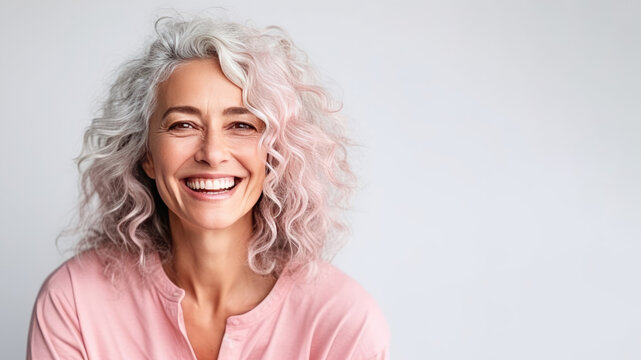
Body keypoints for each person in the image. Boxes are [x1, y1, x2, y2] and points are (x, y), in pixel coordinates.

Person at [27, 14, 389, 360]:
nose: (213, 154)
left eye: (242, 126)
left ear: (274, 153)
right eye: (183, 125)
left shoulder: (343, 321)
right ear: (145, 155)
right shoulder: (74, 301)